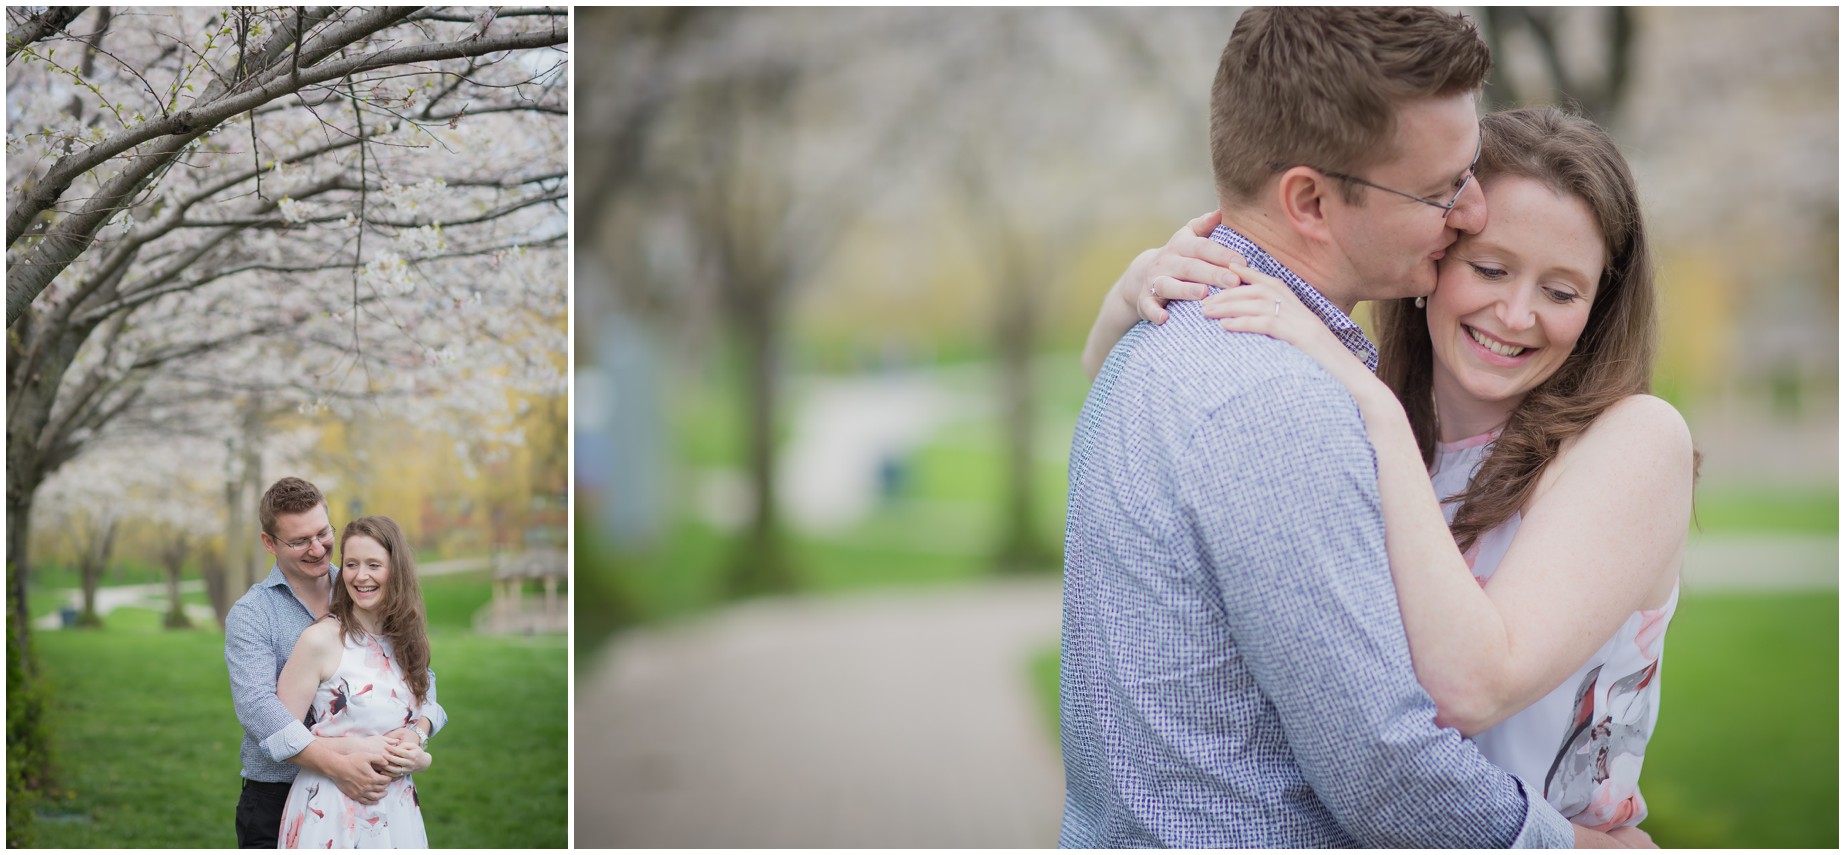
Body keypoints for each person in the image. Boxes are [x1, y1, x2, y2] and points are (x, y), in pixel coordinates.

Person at [1059, 8, 1643, 848]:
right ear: (1309, 201)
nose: (1472, 209)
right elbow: (1382, 765)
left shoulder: (1156, 337)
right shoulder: (1279, 401)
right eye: (1441, 187)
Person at [225, 478, 446, 848]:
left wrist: (419, 731)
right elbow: (259, 710)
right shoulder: (253, 613)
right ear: (270, 543)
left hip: (375, 793)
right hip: (277, 796)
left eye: (323, 533)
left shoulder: (360, 589)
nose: (317, 549)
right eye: (299, 541)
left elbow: (411, 671)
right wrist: (341, 766)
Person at [276, 516, 435, 848]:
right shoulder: (320, 640)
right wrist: (355, 748)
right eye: (351, 564)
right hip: (331, 809)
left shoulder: (407, 638)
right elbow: (280, 737)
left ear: (397, 570)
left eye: (374, 564)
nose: (361, 576)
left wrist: (420, 752)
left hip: (398, 808)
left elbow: (427, 704)